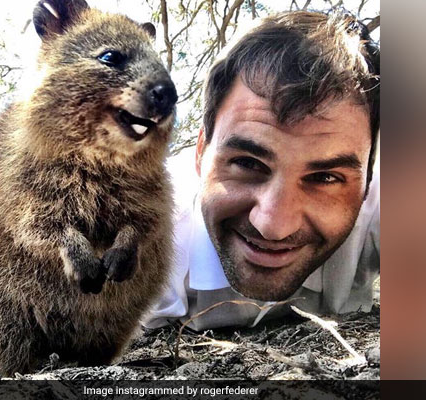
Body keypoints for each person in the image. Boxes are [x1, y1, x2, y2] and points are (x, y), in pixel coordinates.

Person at [145, 10, 380, 330]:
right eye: (247, 163)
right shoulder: (141, 236)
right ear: (200, 153)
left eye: (325, 177)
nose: (273, 226)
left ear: (369, 179)